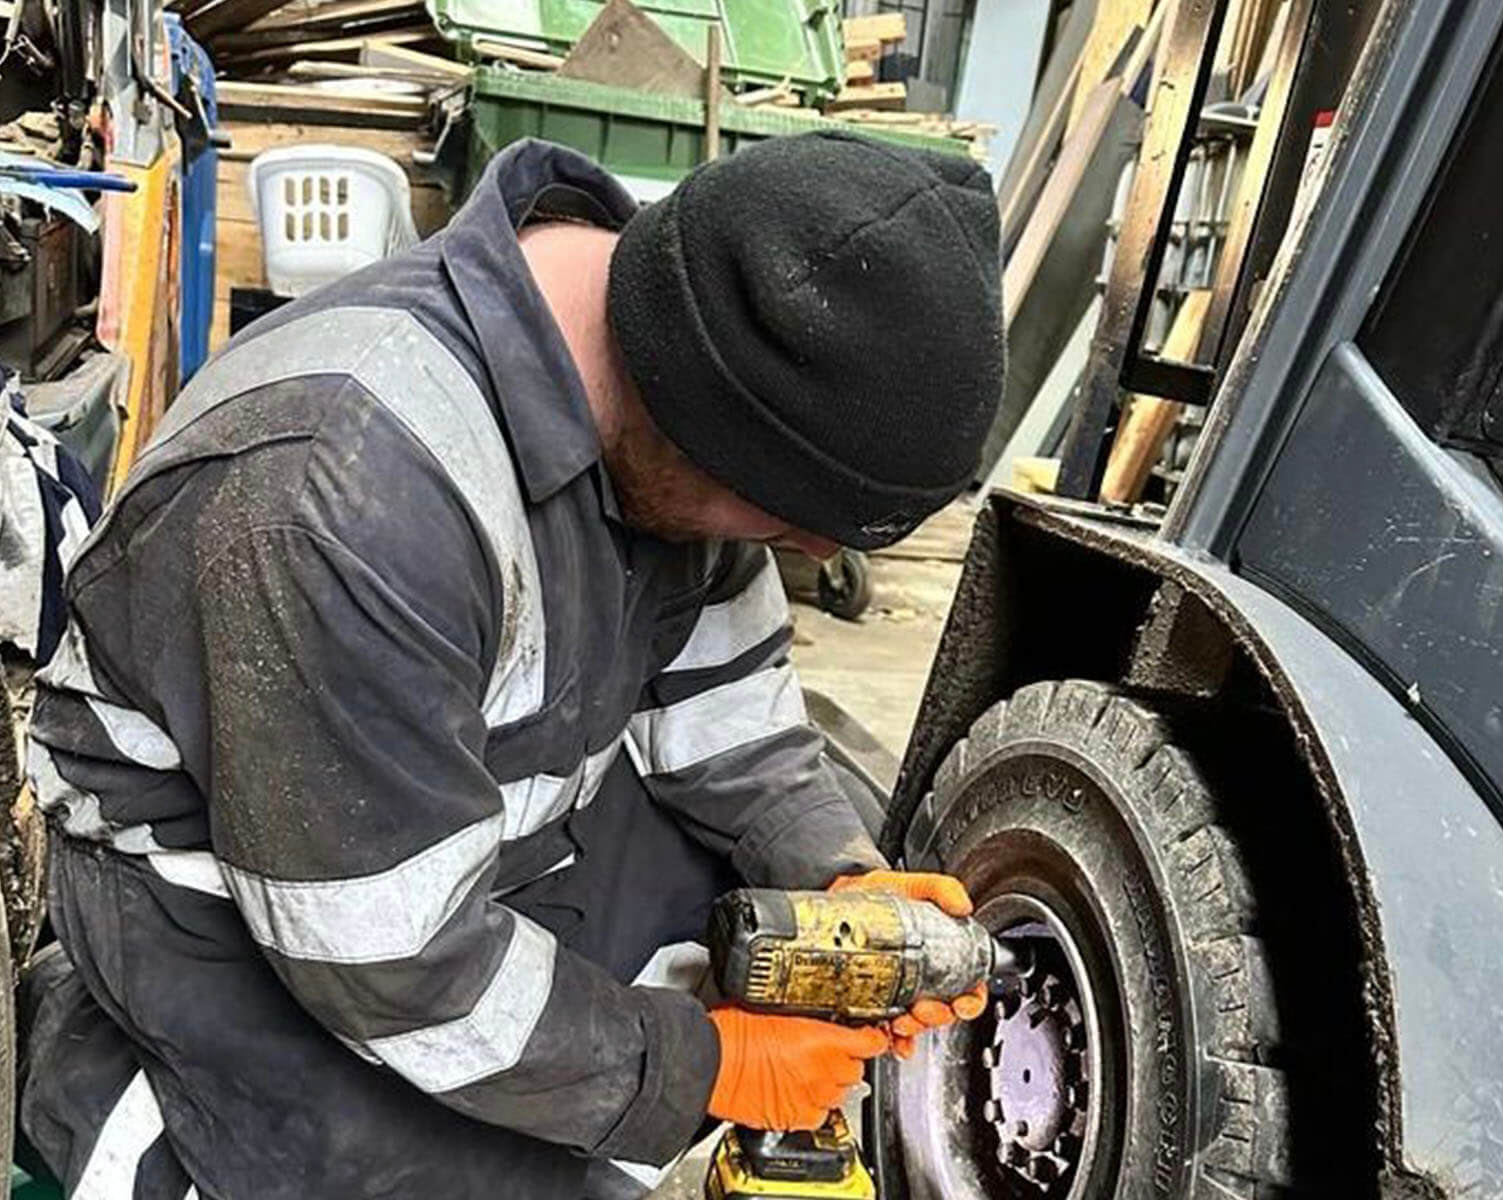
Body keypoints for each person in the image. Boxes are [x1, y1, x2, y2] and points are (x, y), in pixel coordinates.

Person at [18, 132, 1005, 1198]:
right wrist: (701, 1064)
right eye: (790, 520)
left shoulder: (688, 371)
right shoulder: (337, 491)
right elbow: (390, 959)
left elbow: (730, 708)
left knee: (801, 844)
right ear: (700, 415)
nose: (809, 554)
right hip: (248, 923)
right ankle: (111, 1088)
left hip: (468, 839)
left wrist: (836, 878)